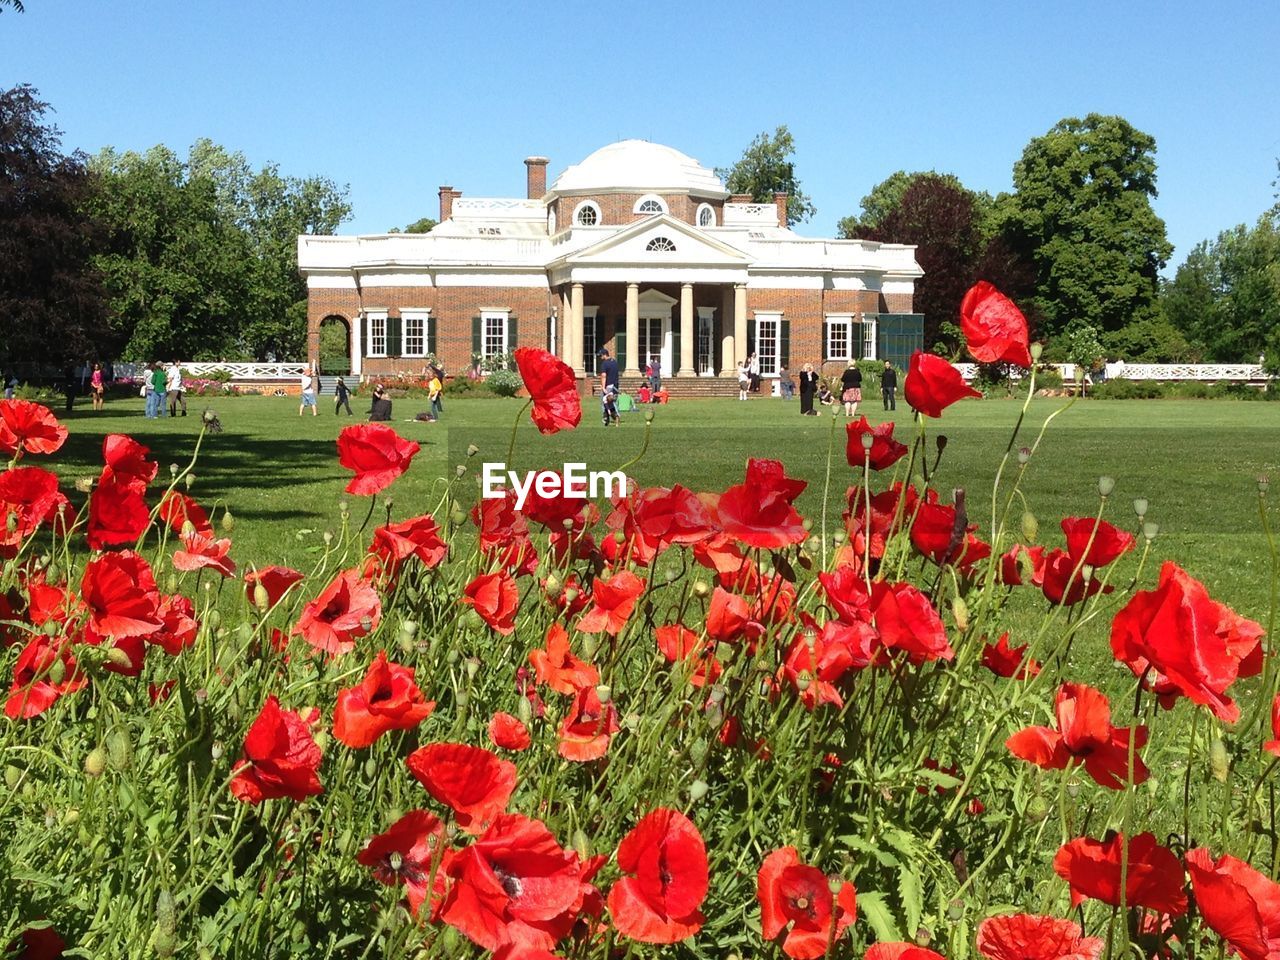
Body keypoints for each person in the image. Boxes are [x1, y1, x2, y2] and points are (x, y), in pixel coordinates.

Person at [599, 349, 620, 426]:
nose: (600, 357)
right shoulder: (614, 362)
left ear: (605, 355)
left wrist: (603, 387)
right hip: (615, 386)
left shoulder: (604, 364)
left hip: (608, 386)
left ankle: (607, 417)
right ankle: (611, 417)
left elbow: (604, 376)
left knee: (604, 402)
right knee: (612, 401)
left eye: (601, 355)